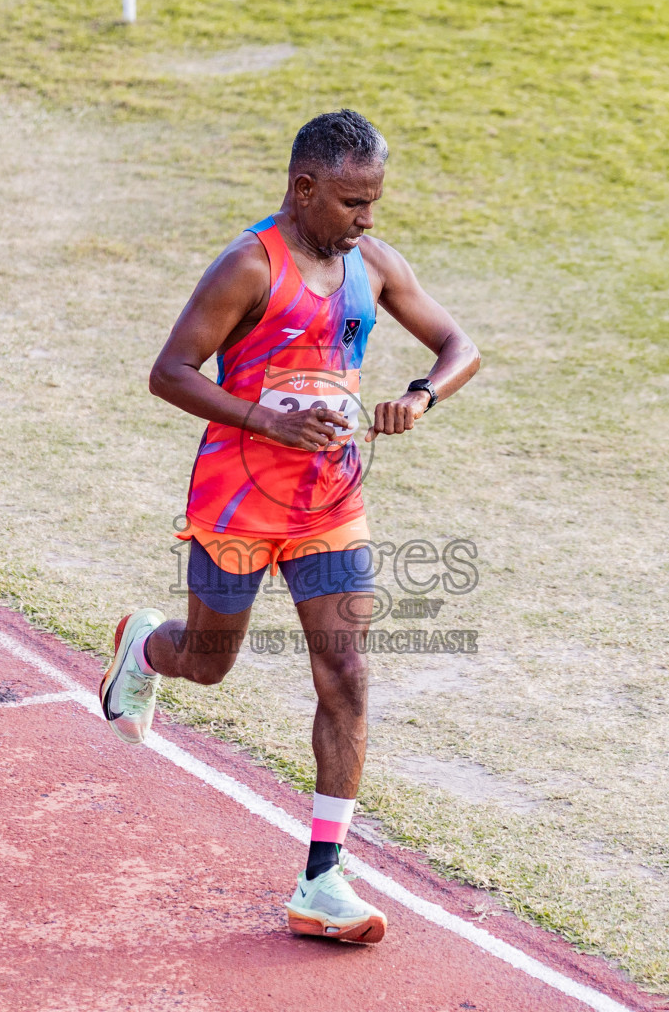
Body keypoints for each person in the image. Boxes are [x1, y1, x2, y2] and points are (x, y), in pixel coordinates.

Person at [101, 109, 480, 944]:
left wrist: (420, 395)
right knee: (209, 664)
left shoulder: (372, 265)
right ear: (303, 190)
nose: (367, 218)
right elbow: (169, 373)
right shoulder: (246, 267)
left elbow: (460, 344)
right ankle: (145, 650)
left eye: (374, 200)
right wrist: (263, 422)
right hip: (236, 503)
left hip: (330, 505)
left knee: (345, 671)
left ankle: (323, 877)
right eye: (350, 202)